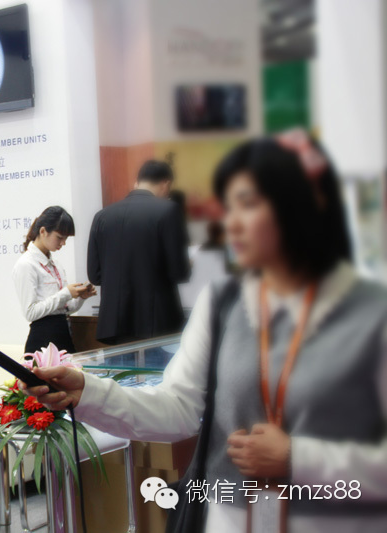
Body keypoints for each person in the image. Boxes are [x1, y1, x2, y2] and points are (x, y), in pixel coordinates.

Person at [25, 131, 387, 532]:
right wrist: (88, 393)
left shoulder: (371, 313)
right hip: (228, 516)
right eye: (229, 206)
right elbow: (178, 406)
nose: (231, 223)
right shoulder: (222, 303)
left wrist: (299, 459)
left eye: (250, 204)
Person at [87, 160, 190, 345]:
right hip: (157, 323)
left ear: (137, 182)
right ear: (166, 183)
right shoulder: (169, 210)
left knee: (121, 365)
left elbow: (95, 276)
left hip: (114, 326)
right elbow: (178, 272)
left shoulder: (101, 216)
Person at [13, 206, 96, 354]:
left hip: (63, 335)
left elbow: (64, 309)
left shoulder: (55, 264)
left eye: (66, 238)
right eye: (59, 237)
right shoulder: (26, 264)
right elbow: (30, 313)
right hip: (43, 341)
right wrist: (66, 293)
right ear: (43, 231)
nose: (63, 243)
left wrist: (80, 297)